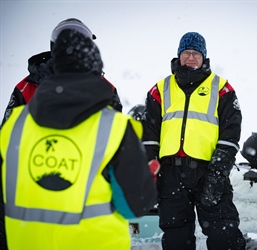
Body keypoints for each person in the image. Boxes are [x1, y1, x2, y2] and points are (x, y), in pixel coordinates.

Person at [0, 29, 158, 250]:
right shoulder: (116, 128)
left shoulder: (14, 126)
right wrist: (145, 180)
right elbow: (135, 206)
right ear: (95, 69)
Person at [141, 32, 245, 250]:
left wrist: (218, 172)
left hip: (208, 171)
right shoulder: (159, 89)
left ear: (204, 57)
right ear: (179, 55)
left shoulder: (222, 88)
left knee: (223, 233)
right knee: (176, 237)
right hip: (171, 174)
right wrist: (150, 173)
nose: (190, 57)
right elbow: (149, 135)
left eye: (195, 53)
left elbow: (231, 132)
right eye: (186, 53)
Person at [0, 18, 122, 129]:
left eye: (79, 39)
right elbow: (7, 133)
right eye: (64, 39)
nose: (72, 45)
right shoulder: (26, 88)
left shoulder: (105, 89)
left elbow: (116, 133)